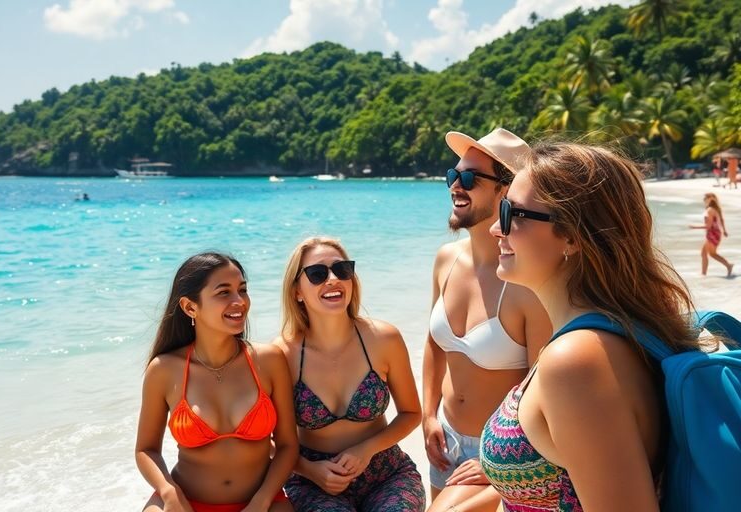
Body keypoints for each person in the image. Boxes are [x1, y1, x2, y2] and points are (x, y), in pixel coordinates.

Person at [480, 142, 713, 510]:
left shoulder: (576, 361)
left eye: (510, 213)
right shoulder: (620, 330)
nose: (495, 228)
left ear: (572, 236)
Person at [423, 128, 551, 512]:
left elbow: (542, 387)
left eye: (469, 178)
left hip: (499, 454)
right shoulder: (446, 259)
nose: (455, 185)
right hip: (444, 439)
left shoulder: (526, 282)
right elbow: (433, 344)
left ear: (506, 190)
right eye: (453, 174)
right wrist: (428, 415)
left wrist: (500, 459)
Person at [136, 252, 298, 512]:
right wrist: (169, 493)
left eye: (242, 290)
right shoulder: (164, 370)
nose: (239, 301)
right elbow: (145, 450)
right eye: (224, 292)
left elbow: (288, 446)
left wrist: (262, 500)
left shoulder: (269, 360)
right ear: (190, 307)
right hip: (184, 502)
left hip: (262, 503)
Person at [274, 237, 426, 511]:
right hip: (313, 482)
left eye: (342, 270)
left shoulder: (384, 338)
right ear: (297, 291)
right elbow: (268, 441)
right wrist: (310, 470)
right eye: (317, 274)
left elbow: (411, 413)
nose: (333, 279)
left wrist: (366, 449)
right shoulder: (281, 355)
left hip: (387, 473)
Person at [690, 192, 734, 277]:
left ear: (709, 199)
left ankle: (728, 266)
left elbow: (708, 226)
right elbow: (721, 220)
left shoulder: (710, 210)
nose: (704, 200)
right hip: (715, 233)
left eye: (705, 199)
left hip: (712, 234)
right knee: (704, 253)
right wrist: (724, 230)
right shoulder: (715, 209)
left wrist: (694, 227)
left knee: (711, 254)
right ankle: (704, 273)